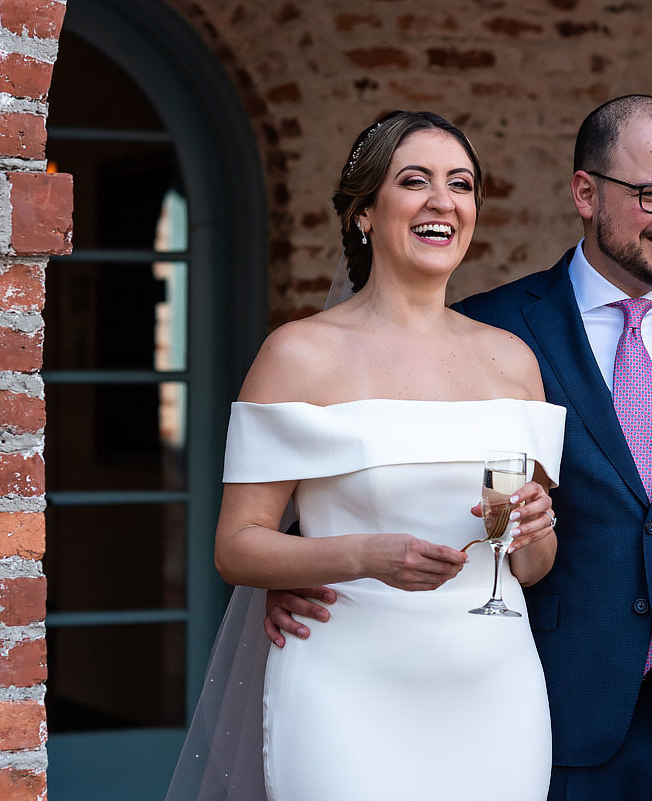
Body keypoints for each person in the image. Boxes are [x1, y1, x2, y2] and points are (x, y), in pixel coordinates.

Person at [265, 95, 652, 800]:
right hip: (554, 707)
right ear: (586, 194)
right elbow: (399, 458)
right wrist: (299, 559)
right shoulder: (491, 329)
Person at [165, 110, 566, 801]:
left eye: (461, 184)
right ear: (364, 213)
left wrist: (536, 527)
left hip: (495, 689)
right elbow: (237, 546)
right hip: (343, 685)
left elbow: (528, 566)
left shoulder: (513, 361)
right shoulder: (298, 355)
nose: (443, 201)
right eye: (415, 181)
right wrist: (365, 557)